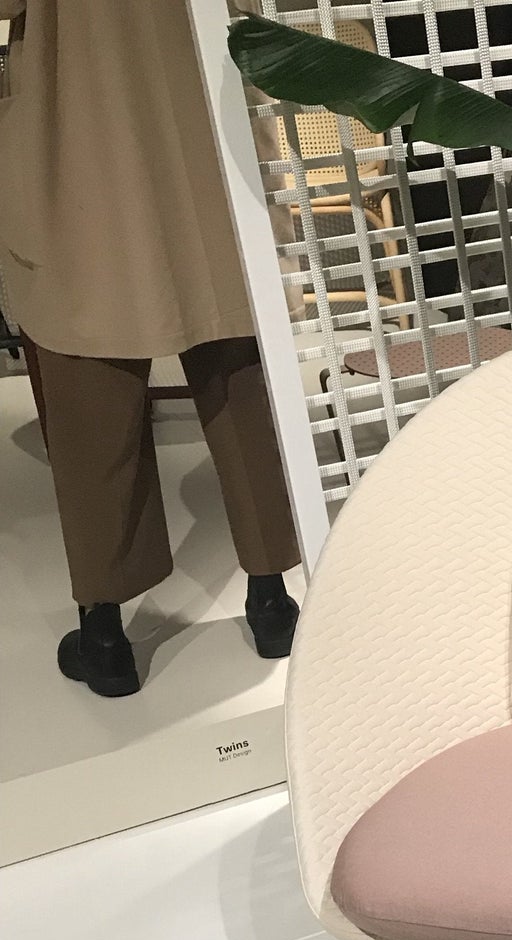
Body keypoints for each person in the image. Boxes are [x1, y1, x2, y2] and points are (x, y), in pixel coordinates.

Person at [0, 0, 300, 698]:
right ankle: (272, 599)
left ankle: (105, 632)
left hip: (78, 136)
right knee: (236, 368)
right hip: (201, 136)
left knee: (88, 388)